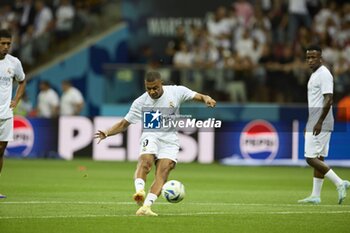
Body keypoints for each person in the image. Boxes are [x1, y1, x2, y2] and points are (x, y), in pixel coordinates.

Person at [94, 71, 216, 216]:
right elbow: (124, 123)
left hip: (170, 139)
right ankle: (139, 191)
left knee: (163, 172)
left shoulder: (176, 91)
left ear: (161, 83)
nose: (152, 91)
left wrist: (206, 98)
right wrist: (107, 133)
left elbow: (198, 96)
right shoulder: (141, 102)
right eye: (148, 88)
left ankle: (146, 207)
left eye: (155, 88)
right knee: (146, 162)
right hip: (151, 134)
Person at [298, 45, 350, 205]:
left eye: (314, 57)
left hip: (321, 121)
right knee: (319, 157)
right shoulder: (315, 75)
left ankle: (339, 182)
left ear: (321, 58)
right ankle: (315, 195)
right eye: (308, 57)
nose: (310, 60)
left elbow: (329, 98)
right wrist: (311, 121)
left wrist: (319, 121)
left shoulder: (324, 74)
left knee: (310, 158)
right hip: (315, 120)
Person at [0, 29, 27, 198]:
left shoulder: (14, 62)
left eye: (8, 44)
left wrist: (16, 100)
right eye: (2, 43)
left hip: (5, 114)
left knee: (1, 150)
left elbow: (22, 81)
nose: (5, 47)